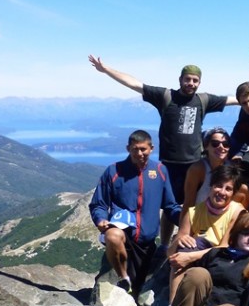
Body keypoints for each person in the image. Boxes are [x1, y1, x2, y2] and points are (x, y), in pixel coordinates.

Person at [87, 56, 236, 245]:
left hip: (194, 163)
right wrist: (107, 69)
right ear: (180, 79)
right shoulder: (166, 96)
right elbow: (135, 84)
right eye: (187, 79)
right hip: (170, 164)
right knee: (169, 207)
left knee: (196, 205)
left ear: (199, 82)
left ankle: (196, 239)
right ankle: (165, 244)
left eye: (195, 80)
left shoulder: (203, 100)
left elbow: (234, 99)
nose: (191, 83)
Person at [89, 130, 180, 296]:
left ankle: (135, 292)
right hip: (124, 237)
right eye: (135, 149)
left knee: (141, 294)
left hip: (147, 243)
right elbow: (98, 204)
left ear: (151, 148)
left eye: (143, 149)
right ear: (128, 149)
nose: (139, 153)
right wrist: (100, 219)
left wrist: (186, 220)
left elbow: (170, 206)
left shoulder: (160, 171)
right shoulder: (113, 171)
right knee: (112, 236)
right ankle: (124, 279)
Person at [166, 163, 245, 306]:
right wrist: (179, 241)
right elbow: (170, 254)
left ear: (234, 193)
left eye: (228, 189)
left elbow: (224, 247)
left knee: (191, 250)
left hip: (224, 259)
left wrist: (189, 257)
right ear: (211, 186)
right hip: (198, 258)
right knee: (183, 249)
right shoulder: (194, 212)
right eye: (218, 186)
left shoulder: (237, 211)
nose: (222, 192)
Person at [182, 128, 249, 212]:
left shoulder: (231, 166)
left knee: (245, 190)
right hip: (200, 216)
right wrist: (185, 224)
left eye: (225, 144)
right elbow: (188, 202)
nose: (221, 147)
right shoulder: (198, 169)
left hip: (222, 216)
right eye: (215, 144)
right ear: (206, 146)